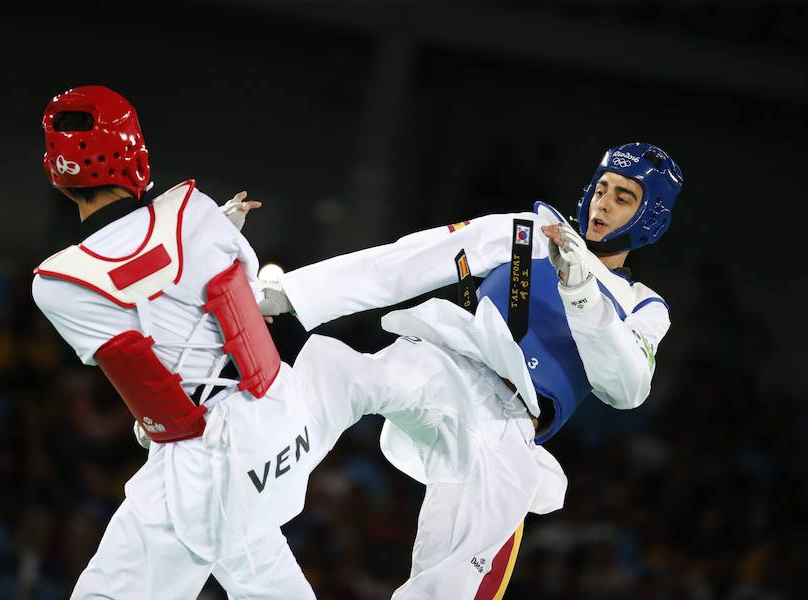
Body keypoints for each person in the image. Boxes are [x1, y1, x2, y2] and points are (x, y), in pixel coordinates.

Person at [260, 142, 683, 598]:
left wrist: (581, 291)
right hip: (452, 365)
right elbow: (415, 258)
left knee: (449, 587)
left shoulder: (643, 306)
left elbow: (626, 387)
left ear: (651, 217)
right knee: (350, 376)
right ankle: (258, 472)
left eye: (624, 197)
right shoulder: (533, 231)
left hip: (510, 429)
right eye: (602, 188)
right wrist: (292, 293)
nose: (603, 203)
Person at [33, 85, 328, 599]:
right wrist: (215, 229)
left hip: (196, 458)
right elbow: (246, 292)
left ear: (58, 175)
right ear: (135, 153)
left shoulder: (57, 284)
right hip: (275, 417)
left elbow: (147, 373)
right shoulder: (195, 209)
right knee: (262, 566)